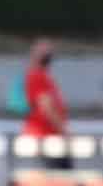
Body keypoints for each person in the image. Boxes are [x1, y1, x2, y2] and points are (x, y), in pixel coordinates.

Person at [23, 38, 70, 169]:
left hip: (48, 136)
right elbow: (46, 107)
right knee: (60, 179)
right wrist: (63, 130)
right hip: (46, 137)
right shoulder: (37, 76)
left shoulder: (42, 77)